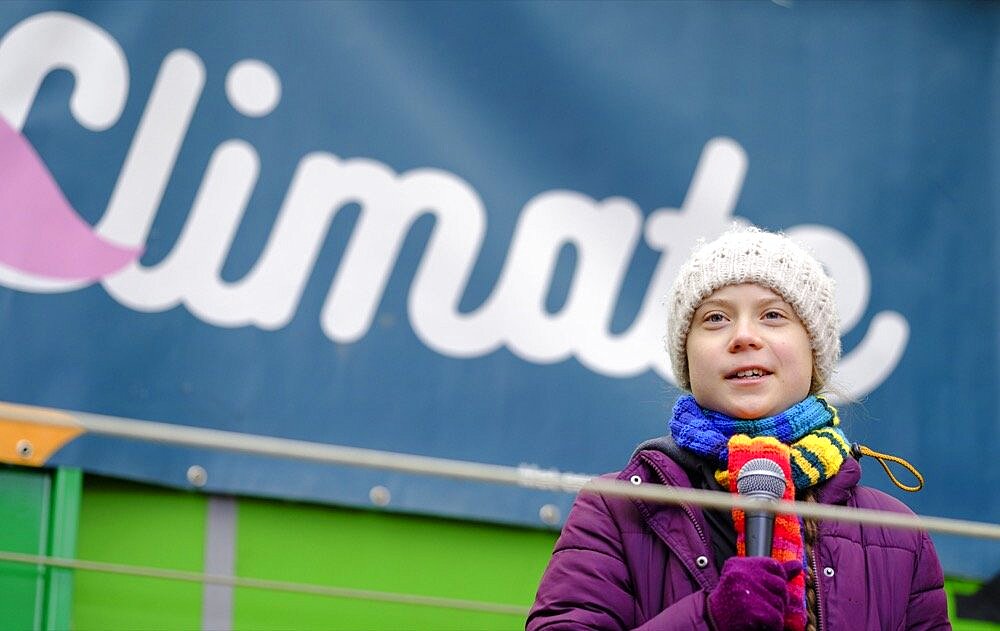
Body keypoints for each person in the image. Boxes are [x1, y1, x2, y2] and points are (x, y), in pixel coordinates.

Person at [527, 226, 950, 630]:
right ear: (687, 358)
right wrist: (709, 619)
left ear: (814, 351)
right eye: (714, 319)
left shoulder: (898, 534)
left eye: (772, 314)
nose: (744, 337)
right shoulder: (617, 506)